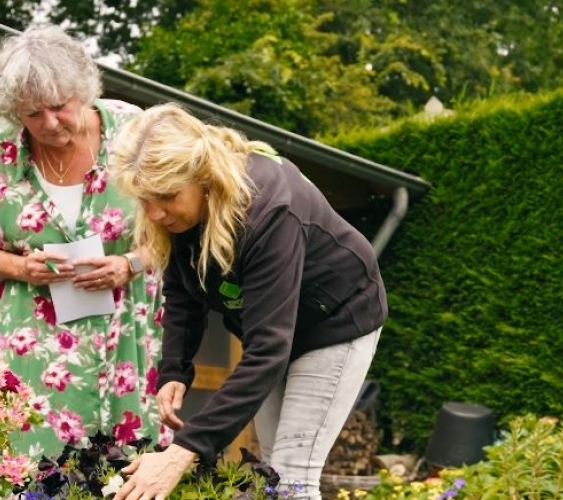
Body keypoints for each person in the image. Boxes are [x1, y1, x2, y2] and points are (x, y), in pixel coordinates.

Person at [107, 104, 387, 500]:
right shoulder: (180, 215)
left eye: (166, 196)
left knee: (292, 475)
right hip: (278, 330)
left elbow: (267, 351)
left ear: (203, 178)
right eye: (144, 199)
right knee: (270, 471)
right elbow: (184, 290)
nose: (154, 212)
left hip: (336, 319)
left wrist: (181, 454)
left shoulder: (269, 210)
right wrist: (174, 370)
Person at [0, 25, 163, 460]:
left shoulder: (134, 131)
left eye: (58, 107)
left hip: (124, 331)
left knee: (125, 464)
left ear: (81, 91)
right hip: (27, 337)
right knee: (26, 464)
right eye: (32, 114)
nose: (48, 124)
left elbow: (176, 228)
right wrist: (20, 268)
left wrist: (129, 264)